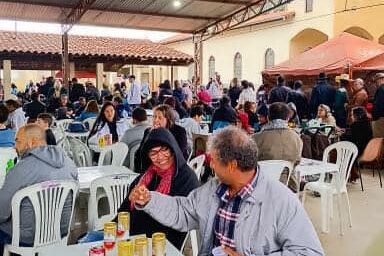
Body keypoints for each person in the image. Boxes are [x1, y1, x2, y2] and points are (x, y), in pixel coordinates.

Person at [129, 126, 324, 256]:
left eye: (213, 160)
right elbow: (183, 211)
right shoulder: (213, 189)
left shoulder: (281, 200)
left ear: (231, 165)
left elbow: (309, 252)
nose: (210, 165)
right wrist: (149, 200)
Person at [0, 124, 78, 255]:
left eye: (18, 141)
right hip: (60, 232)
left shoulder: (20, 169)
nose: (15, 146)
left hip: (25, 237)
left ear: (32, 142)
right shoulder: (69, 163)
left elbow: (1, 211)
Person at [134, 104, 189, 173]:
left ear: (168, 119)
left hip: (174, 170)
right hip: (151, 170)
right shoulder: (148, 132)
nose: (156, 120)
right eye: (154, 117)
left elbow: (178, 153)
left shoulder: (179, 131)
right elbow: (140, 153)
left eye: (160, 118)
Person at [341, 107, 373, 181]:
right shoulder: (367, 123)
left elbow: (351, 138)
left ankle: (346, 174)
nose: (352, 116)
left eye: (352, 115)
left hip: (358, 150)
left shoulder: (356, 125)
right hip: (367, 148)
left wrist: (342, 135)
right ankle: (353, 173)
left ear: (357, 115)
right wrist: (347, 131)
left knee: (340, 152)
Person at [372, 73, 384, 138]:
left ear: (379, 80)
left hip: (381, 118)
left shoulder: (381, 89)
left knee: (379, 139)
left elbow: (378, 105)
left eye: (375, 81)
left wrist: (375, 117)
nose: (375, 84)